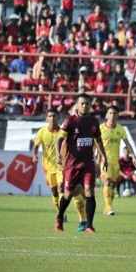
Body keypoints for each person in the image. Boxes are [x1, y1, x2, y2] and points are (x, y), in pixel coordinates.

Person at [55, 94, 108, 233]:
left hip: (88, 163)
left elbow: (98, 140)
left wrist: (104, 157)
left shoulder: (94, 121)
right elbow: (59, 139)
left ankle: (89, 225)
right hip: (72, 165)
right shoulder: (70, 121)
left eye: (87, 104)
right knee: (68, 194)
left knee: (90, 192)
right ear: (77, 105)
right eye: (82, 103)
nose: (85, 106)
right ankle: (60, 217)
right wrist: (58, 155)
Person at [32, 109, 87, 231]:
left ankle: (80, 219)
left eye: (54, 116)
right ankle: (61, 213)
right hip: (48, 167)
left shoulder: (64, 131)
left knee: (63, 188)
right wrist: (35, 155)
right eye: (50, 116)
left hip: (63, 167)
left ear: (58, 118)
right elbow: (36, 146)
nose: (52, 118)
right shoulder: (42, 132)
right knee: (55, 192)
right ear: (47, 119)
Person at [99, 106, 136, 215]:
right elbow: (95, 143)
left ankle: (107, 207)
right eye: (110, 113)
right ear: (106, 115)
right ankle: (109, 207)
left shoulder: (120, 129)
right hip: (104, 161)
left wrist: (133, 156)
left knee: (112, 185)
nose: (112, 115)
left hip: (115, 162)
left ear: (117, 116)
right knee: (107, 182)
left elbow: (127, 143)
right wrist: (96, 157)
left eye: (115, 113)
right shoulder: (101, 128)